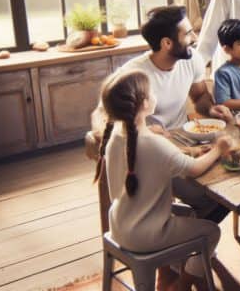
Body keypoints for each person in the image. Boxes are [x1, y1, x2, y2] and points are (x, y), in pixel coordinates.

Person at [91, 6, 231, 225]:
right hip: (153, 154)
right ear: (167, 43)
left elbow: (201, 96)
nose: (194, 38)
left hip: (187, 143)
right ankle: (189, 239)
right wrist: (139, 133)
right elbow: (101, 117)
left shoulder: (191, 59)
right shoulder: (134, 75)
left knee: (230, 177)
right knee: (214, 197)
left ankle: (184, 231)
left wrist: (211, 109)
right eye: (187, 33)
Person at [94, 70, 232, 290]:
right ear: (144, 103)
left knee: (189, 213)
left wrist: (191, 151)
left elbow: (161, 156)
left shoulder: (116, 137)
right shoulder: (152, 143)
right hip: (147, 234)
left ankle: (181, 267)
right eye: (151, 92)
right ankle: (182, 283)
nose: (154, 94)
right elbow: (193, 170)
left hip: (120, 225)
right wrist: (218, 149)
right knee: (211, 231)